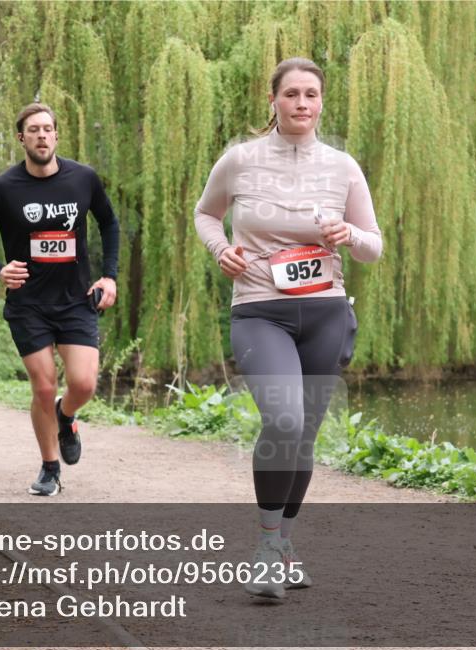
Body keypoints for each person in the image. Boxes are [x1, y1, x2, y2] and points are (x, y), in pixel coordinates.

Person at [194, 58, 382, 598]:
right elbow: (206, 214)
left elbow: (374, 246)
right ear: (273, 100)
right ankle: (266, 546)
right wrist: (221, 249)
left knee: (303, 437)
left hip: (326, 312)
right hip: (260, 309)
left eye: (312, 95)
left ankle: (283, 544)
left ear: (322, 102)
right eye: (292, 94)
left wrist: (347, 232)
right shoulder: (240, 160)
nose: (303, 104)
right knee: (282, 419)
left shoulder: (343, 166)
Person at [0, 102, 119, 496]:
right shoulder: (2, 188)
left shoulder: (83, 178)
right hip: (28, 304)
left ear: (56, 135)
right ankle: (50, 467)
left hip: (75, 300)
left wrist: (110, 276)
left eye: (48, 129)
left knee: (83, 384)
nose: (42, 135)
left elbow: (109, 222)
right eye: (33, 130)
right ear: (21, 138)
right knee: (44, 387)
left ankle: (66, 417)